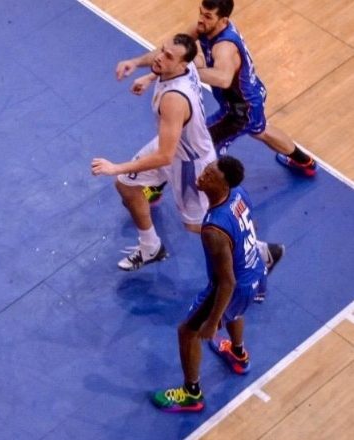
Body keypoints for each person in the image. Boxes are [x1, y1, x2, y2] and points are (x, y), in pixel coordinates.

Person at [116, 0, 317, 177]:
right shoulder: (205, 27)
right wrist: (136, 63)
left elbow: (223, 79)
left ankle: (171, 190)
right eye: (201, 13)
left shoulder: (225, 46)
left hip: (238, 111)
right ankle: (305, 161)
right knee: (260, 131)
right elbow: (171, 54)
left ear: (223, 20)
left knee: (191, 146)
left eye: (208, 16)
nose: (201, 20)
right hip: (252, 95)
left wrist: (185, 71)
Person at [152, 155, 278, 412]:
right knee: (236, 311)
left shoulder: (213, 229)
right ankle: (239, 354)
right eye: (207, 170)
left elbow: (226, 282)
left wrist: (211, 322)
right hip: (254, 268)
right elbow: (250, 225)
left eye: (210, 175)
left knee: (187, 332)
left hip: (234, 285)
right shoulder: (238, 194)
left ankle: (191, 393)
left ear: (222, 186)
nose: (202, 175)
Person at [92, 34, 216, 271]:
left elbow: (164, 158)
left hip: (190, 164)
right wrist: (147, 73)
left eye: (168, 56)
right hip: (171, 145)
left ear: (182, 64)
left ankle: (253, 249)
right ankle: (151, 247)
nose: (159, 58)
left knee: (197, 227)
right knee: (126, 185)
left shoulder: (173, 99)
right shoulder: (183, 67)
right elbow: (172, 61)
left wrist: (116, 167)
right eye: (162, 50)